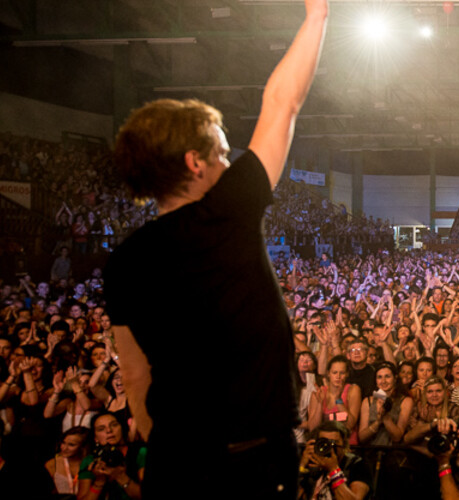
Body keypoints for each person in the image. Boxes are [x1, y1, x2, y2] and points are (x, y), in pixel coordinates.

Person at [103, 1, 328, 497]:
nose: (231, 164)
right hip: (251, 461)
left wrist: (169, 444)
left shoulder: (123, 261)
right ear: (195, 162)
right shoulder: (226, 211)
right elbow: (282, 104)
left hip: (176, 462)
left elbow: (135, 375)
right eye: (224, 153)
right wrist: (317, 17)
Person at [77, 413, 145, 500]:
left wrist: (120, 476)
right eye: (101, 429)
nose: (109, 430)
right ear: (95, 438)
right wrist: (99, 482)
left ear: (122, 428)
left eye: (114, 425)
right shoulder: (90, 460)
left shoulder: (140, 452)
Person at [297, 421, 371, 500]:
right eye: (324, 443)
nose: (329, 448)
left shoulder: (357, 464)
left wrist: (333, 469)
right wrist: (302, 466)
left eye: (333, 443)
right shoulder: (312, 466)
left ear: (344, 445)